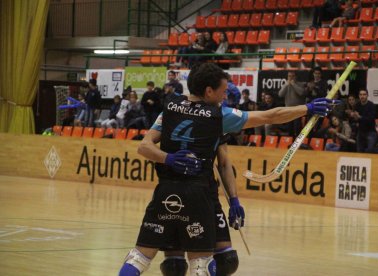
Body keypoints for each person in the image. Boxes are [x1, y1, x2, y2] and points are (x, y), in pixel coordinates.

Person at [119, 63, 335, 276]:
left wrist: (169, 159)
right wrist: (306, 108)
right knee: (200, 265)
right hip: (198, 194)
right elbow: (271, 116)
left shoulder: (170, 109)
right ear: (209, 91)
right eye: (223, 91)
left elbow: (144, 146)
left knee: (139, 257)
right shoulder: (220, 116)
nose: (225, 96)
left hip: (166, 191)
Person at [161, 140, 243, 276]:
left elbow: (223, 163)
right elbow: (146, 146)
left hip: (207, 192)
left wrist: (234, 199)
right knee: (174, 266)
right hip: (174, 188)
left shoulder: (217, 120)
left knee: (226, 260)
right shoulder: (169, 119)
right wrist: (168, 159)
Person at [278, 71, 307, 137]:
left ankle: (297, 141)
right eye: (289, 76)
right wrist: (286, 85)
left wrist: (293, 84)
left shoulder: (301, 84)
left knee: (297, 127)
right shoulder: (286, 85)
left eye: (292, 76)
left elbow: (301, 93)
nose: (290, 78)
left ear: (296, 77)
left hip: (298, 109)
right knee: (289, 127)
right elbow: (280, 94)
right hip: (288, 109)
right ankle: (290, 141)